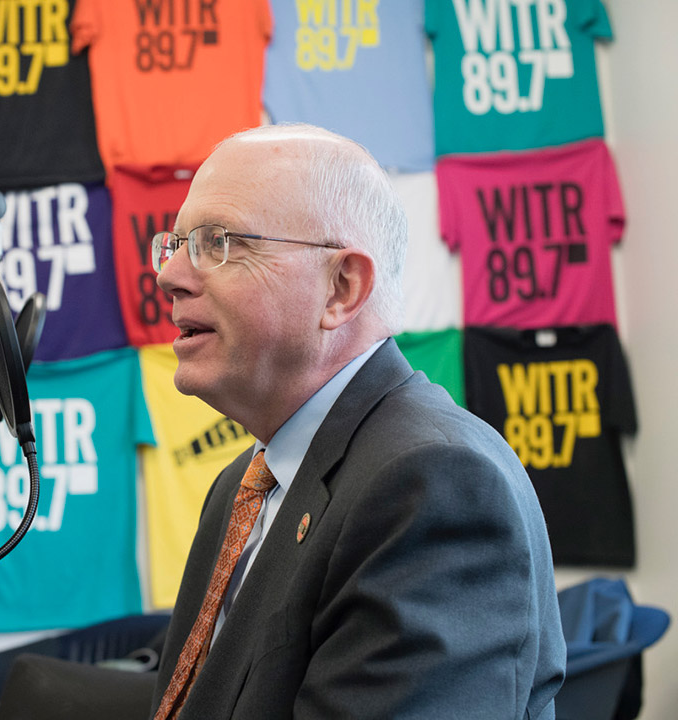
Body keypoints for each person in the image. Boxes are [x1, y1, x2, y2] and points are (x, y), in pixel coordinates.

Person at [147, 124, 566, 719]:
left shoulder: (433, 484)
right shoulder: (241, 485)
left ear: (342, 288)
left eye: (218, 242)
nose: (170, 276)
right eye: (178, 243)